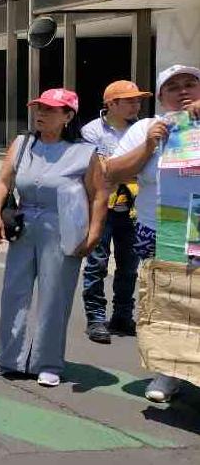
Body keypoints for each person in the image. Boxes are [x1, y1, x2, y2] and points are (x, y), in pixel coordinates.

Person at [0, 88, 107, 388]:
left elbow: (99, 195)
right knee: (14, 292)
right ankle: (8, 357)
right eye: (39, 108)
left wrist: (93, 235)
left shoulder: (85, 152)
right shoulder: (23, 144)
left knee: (55, 295)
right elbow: (3, 182)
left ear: (68, 116)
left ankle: (47, 362)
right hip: (24, 225)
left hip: (63, 228)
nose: (41, 113)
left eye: (50, 110)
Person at [107, 64, 200, 403]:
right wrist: (148, 145)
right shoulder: (146, 128)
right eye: (173, 87)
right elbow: (112, 172)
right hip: (161, 231)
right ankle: (168, 372)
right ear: (161, 98)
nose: (183, 90)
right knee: (167, 303)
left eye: (190, 83)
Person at [79, 81, 152, 344]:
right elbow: (98, 171)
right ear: (111, 104)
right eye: (130, 100)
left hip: (133, 208)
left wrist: (118, 168)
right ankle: (96, 318)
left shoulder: (143, 129)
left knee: (129, 267)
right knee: (96, 264)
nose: (136, 105)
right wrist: (127, 167)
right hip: (101, 207)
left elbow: (140, 167)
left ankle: (122, 316)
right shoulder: (91, 131)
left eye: (138, 100)